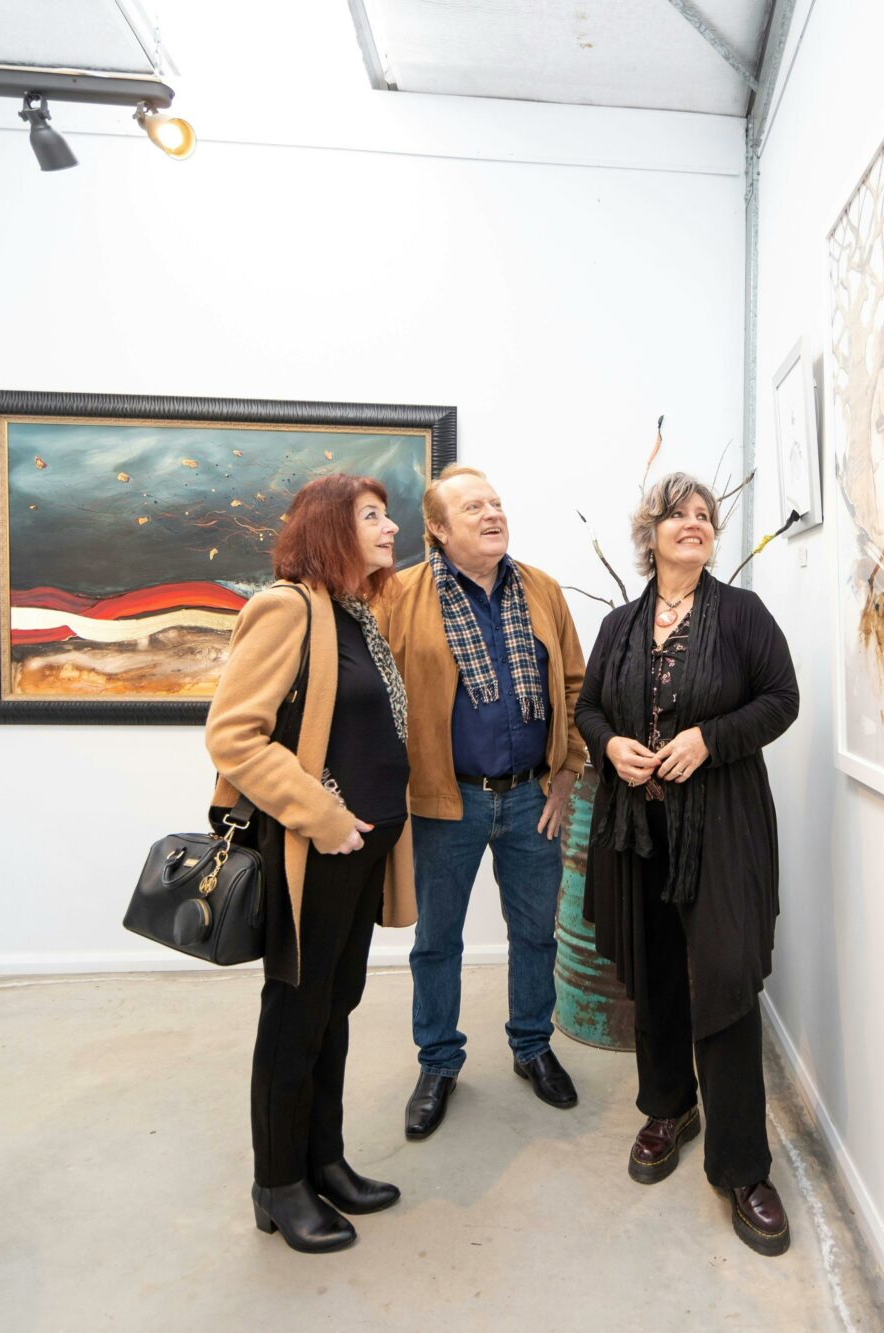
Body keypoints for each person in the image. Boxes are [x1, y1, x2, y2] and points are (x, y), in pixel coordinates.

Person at [574, 471, 800, 1257]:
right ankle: (668, 1105)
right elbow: (588, 705)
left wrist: (710, 739)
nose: (695, 524)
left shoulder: (741, 614)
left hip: (724, 827)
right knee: (658, 971)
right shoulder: (620, 624)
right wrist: (608, 744)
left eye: (706, 516)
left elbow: (781, 697)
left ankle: (743, 1166)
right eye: (680, 514)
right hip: (638, 829)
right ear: (653, 533)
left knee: (727, 978)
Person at [204, 474, 417, 1255]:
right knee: (295, 1016)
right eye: (371, 517)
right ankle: (278, 1181)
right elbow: (233, 734)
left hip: (364, 853)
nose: (390, 528)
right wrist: (323, 818)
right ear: (330, 529)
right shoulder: (285, 606)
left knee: (337, 1005)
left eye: (387, 516)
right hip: (315, 851)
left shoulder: (356, 613)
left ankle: (323, 1159)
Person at [377, 464, 589, 1139]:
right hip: (446, 802)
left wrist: (566, 774)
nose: (492, 514)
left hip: (533, 798)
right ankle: (438, 1062)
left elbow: (578, 688)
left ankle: (532, 1045)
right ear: (437, 529)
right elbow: (377, 698)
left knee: (536, 933)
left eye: (496, 503)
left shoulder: (542, 590)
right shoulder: (400, 597)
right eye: (472, 508)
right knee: (437, 940)